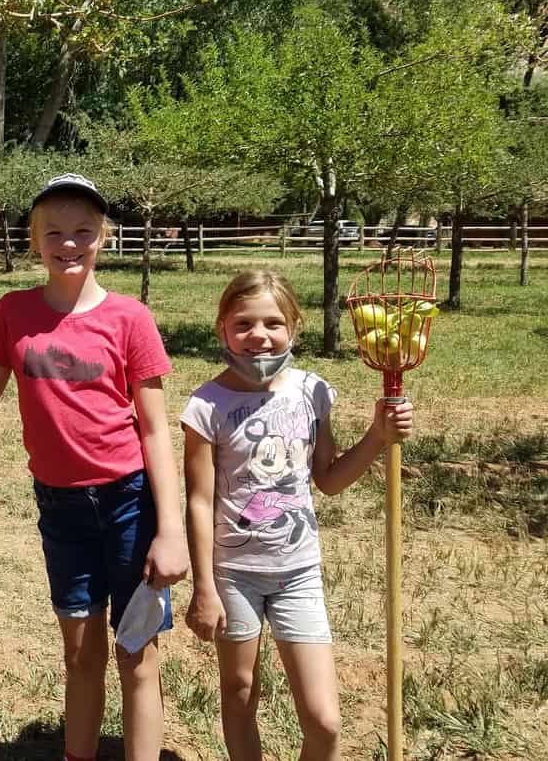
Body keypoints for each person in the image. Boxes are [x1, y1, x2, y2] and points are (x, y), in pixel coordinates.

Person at [0, 173, 189, 761]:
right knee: (81, 655)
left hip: (130, 500)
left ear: (103, 236)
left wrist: (172, 531)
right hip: (60, 506)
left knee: (137, 654)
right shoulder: (12, 311)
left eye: (83, 230)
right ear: (33, 240)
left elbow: (155, 429)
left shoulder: (130, 318)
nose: (69, 242)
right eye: (54, 231)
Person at [180, 269, 413, 761]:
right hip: (233, 575)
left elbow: (326, 479)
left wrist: (377, 436)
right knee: (240, 692)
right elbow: (199, 502)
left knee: (325, 722)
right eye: (243, 323)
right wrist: (204, 588)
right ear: (222, 327)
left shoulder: (313, 392)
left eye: (272, 323)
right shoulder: (207, 405)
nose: (258, 335)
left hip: (297, 573)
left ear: (294, 327)